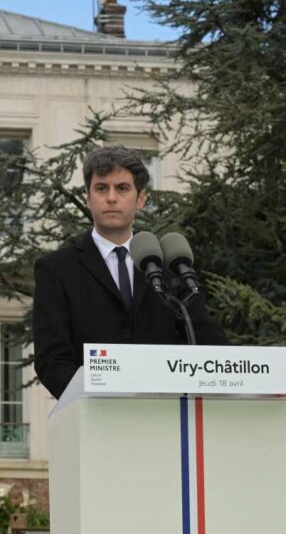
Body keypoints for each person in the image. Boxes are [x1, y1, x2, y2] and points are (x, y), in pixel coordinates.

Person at [33, 146, 227, 399]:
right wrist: (94, 401)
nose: (111, 198)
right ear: (87, 197)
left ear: (141, 198)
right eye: (101, 188)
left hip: (168, 418)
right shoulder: (57, 269)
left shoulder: (169, 266)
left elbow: (209, 345)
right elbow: (52, 359)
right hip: (94, 418)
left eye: (122, 188)